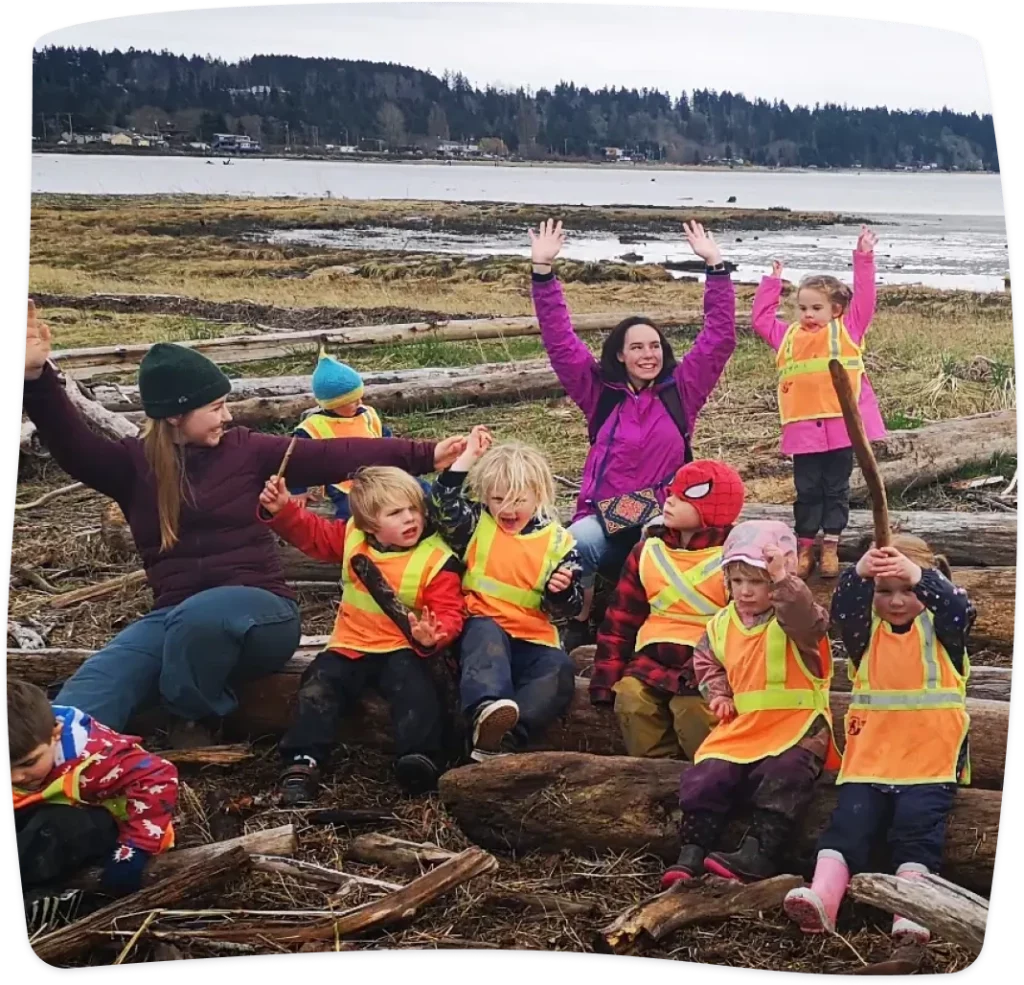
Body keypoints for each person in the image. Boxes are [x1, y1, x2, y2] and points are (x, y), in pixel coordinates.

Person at [19, 298, 466, 745]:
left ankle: (195, 719)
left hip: (263, 617)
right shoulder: (131, 466)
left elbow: (338, 455)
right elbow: (71, 443)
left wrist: (425, 454)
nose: (227, 416)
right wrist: (36, 378)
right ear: (175, 414)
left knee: (201, 616)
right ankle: (52, 769)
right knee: (95, 684)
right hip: (176, 620)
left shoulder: (245, 450)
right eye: (215, 407)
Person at [529, 218, 737, 650]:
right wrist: (543, 272)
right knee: (573, 545)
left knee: (649, 552)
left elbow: (719, 338)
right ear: (620, 355)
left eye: (655, 346)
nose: (648, 354)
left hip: (663, 513)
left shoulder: (682, 390)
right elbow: (560, 339)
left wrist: (715, 266)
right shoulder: (598, 393)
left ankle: (649, 624)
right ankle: (578, 620)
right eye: (637, 347)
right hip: (603, 515)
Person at [783, 535, 974, 944]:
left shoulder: (944, 632)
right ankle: (823, 899)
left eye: (908, 590)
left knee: (916, 833)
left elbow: (960, 608)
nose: (897, 601)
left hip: (929, 763)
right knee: (847, 828)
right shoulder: (864, 633)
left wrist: (921, 577)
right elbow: (845, 608)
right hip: (868, 761)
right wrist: (859, 573)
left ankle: (911, 912)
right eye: (884, 592)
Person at [257, 467, 466, 804]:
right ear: (370, 524)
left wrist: (434, 636)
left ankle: (421, 758)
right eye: (396, 513)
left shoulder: (437, 558)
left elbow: (449, 610)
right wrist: (283, 510)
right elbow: (314, 534)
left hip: (403, 648)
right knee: (318, 686)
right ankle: (302, 761)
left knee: (416, 693)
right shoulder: (353, 536)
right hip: (350, 644)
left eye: (414, 508)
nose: (410, 519)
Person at [660, 520, 841, 889]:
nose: (744, 591)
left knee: (785, 773)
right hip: (742, 727)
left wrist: (784, 581)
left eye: (756, 581)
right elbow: (707, 664)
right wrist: (719, 695)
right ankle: (692, 849)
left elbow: (808, 620)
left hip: (798, 727)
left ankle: (760, 851)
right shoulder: (721, 624)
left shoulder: (794, 619)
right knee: (708, 773)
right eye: (737, 581)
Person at [431, 427, 583, 761]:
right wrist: (468, 457)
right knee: (485, 636)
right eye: (498, 499)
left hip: (534, 639)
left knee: (559, 668)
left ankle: (506, 737)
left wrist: (563, 591)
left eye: (519, 500)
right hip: (482, 628)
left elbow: (567, 610)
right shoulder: (473, 523)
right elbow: (441, 502)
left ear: (539, 495)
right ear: (485, 496)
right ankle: (486, 710)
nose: (507, 510)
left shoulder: (560, 542)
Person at [751, 226, 886, 579]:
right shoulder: (788, 336)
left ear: (836, 309)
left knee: (837, 489)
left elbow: (867, 297)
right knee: (807, 490)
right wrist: (771, 283)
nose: (807, 314)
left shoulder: (848, 329)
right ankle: (805, 546)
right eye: (802, 308)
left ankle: (831, 547)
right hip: (802, 431)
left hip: (842, 429)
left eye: (816, 307)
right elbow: (761, 320)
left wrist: (864, 257)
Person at [590, 460, 746, 761]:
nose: (669, 501)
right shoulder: (647, 551)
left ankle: (710, 780)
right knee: (632, 700)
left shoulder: (734, 558)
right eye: (671, 493)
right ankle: (657, 781)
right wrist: (606, 679)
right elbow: (620, 620)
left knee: (693, 711)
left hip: (709, 663)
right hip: (652, 656)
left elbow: (747, 625)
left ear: (712, 507)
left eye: (683, 497)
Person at [8, 679, 179, 935]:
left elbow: (159, 775)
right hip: (45, 806)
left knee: (57, 827)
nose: (16, 777)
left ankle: (40, 894)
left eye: (28, 763)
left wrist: (135, 848)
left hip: (103, 823)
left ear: (55, 734)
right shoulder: (27, 753)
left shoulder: (98, 757)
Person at [285, 348, 432, 518]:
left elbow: (387, 441)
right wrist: (297, 491)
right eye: (352, 401)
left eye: (359, 397)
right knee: (354, 513)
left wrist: (402, 463)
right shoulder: (311, 427)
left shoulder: (368, 414)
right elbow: (295, 460)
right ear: (333, 404)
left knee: (422, 489)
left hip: (383, 475)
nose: (360, 402)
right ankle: (349, 541)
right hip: (346, 485)